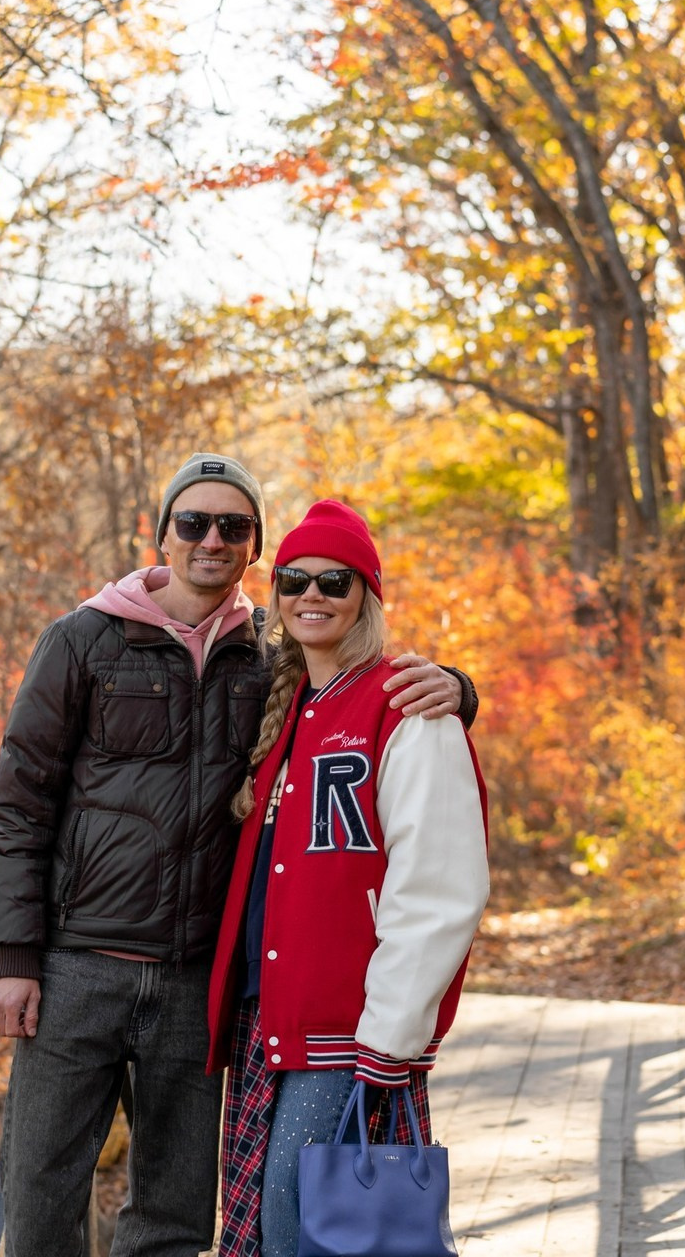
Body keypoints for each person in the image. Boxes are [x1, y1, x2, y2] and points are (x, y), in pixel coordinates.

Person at [0, 455, 477, 1257]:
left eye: (234, 527)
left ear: (253, 550)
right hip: (78, 966)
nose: (212, 539)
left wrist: (453, 689)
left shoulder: (267, 661)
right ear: (163, 534)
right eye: (195, 522)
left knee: (173, 1218)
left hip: (198, 983)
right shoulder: (82, 640)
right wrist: (13, 951)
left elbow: (353, 686)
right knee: (39, 1201)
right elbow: (19, 802)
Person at [205, 498, 490, 1257]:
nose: (313, 596)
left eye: (336, 581)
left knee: (321, 1230)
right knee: (280, 1233)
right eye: (295, 579)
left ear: (368, 594)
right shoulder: (288, 707)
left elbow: (440, 887)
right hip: (270, 1021)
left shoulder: (407, 706)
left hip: (349, 1028)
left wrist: (391, 1037)